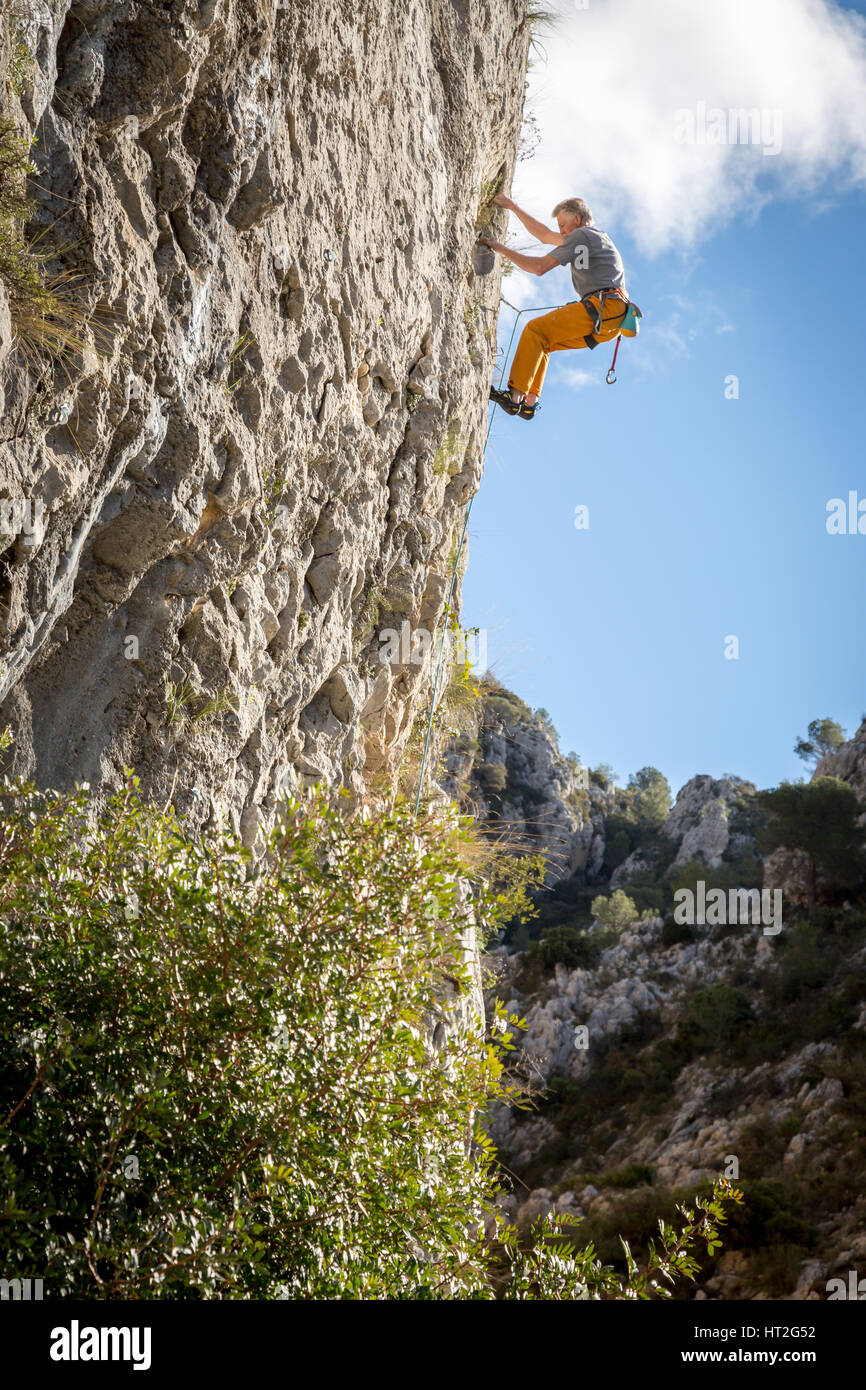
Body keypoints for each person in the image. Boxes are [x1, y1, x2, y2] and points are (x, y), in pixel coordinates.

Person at [481, 194, 629, 420]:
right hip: (611, 321)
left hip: (602, 308)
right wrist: (513, 207)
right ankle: (529, 403)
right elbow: (544, 236)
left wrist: (500, 249)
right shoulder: (591, 238)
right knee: (544, 343)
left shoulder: (581, 235)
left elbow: (540, 267)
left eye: (562, 225)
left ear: (577, 220)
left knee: (535, 330)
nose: (560, 231)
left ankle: (514, 398)